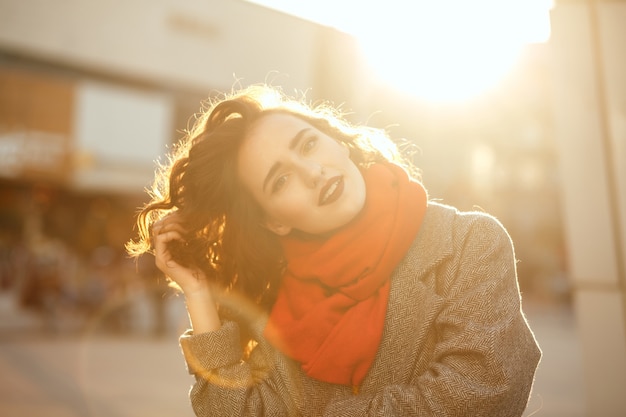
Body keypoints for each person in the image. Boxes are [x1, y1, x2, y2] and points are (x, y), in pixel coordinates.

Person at [127, 85, 541, 416]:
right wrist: (198, 294)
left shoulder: (468, 241)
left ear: (337, 141)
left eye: (308, 145)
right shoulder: (279, 305)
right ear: (274, 221)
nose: (312, 173)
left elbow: (482, 394)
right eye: (280, 181)